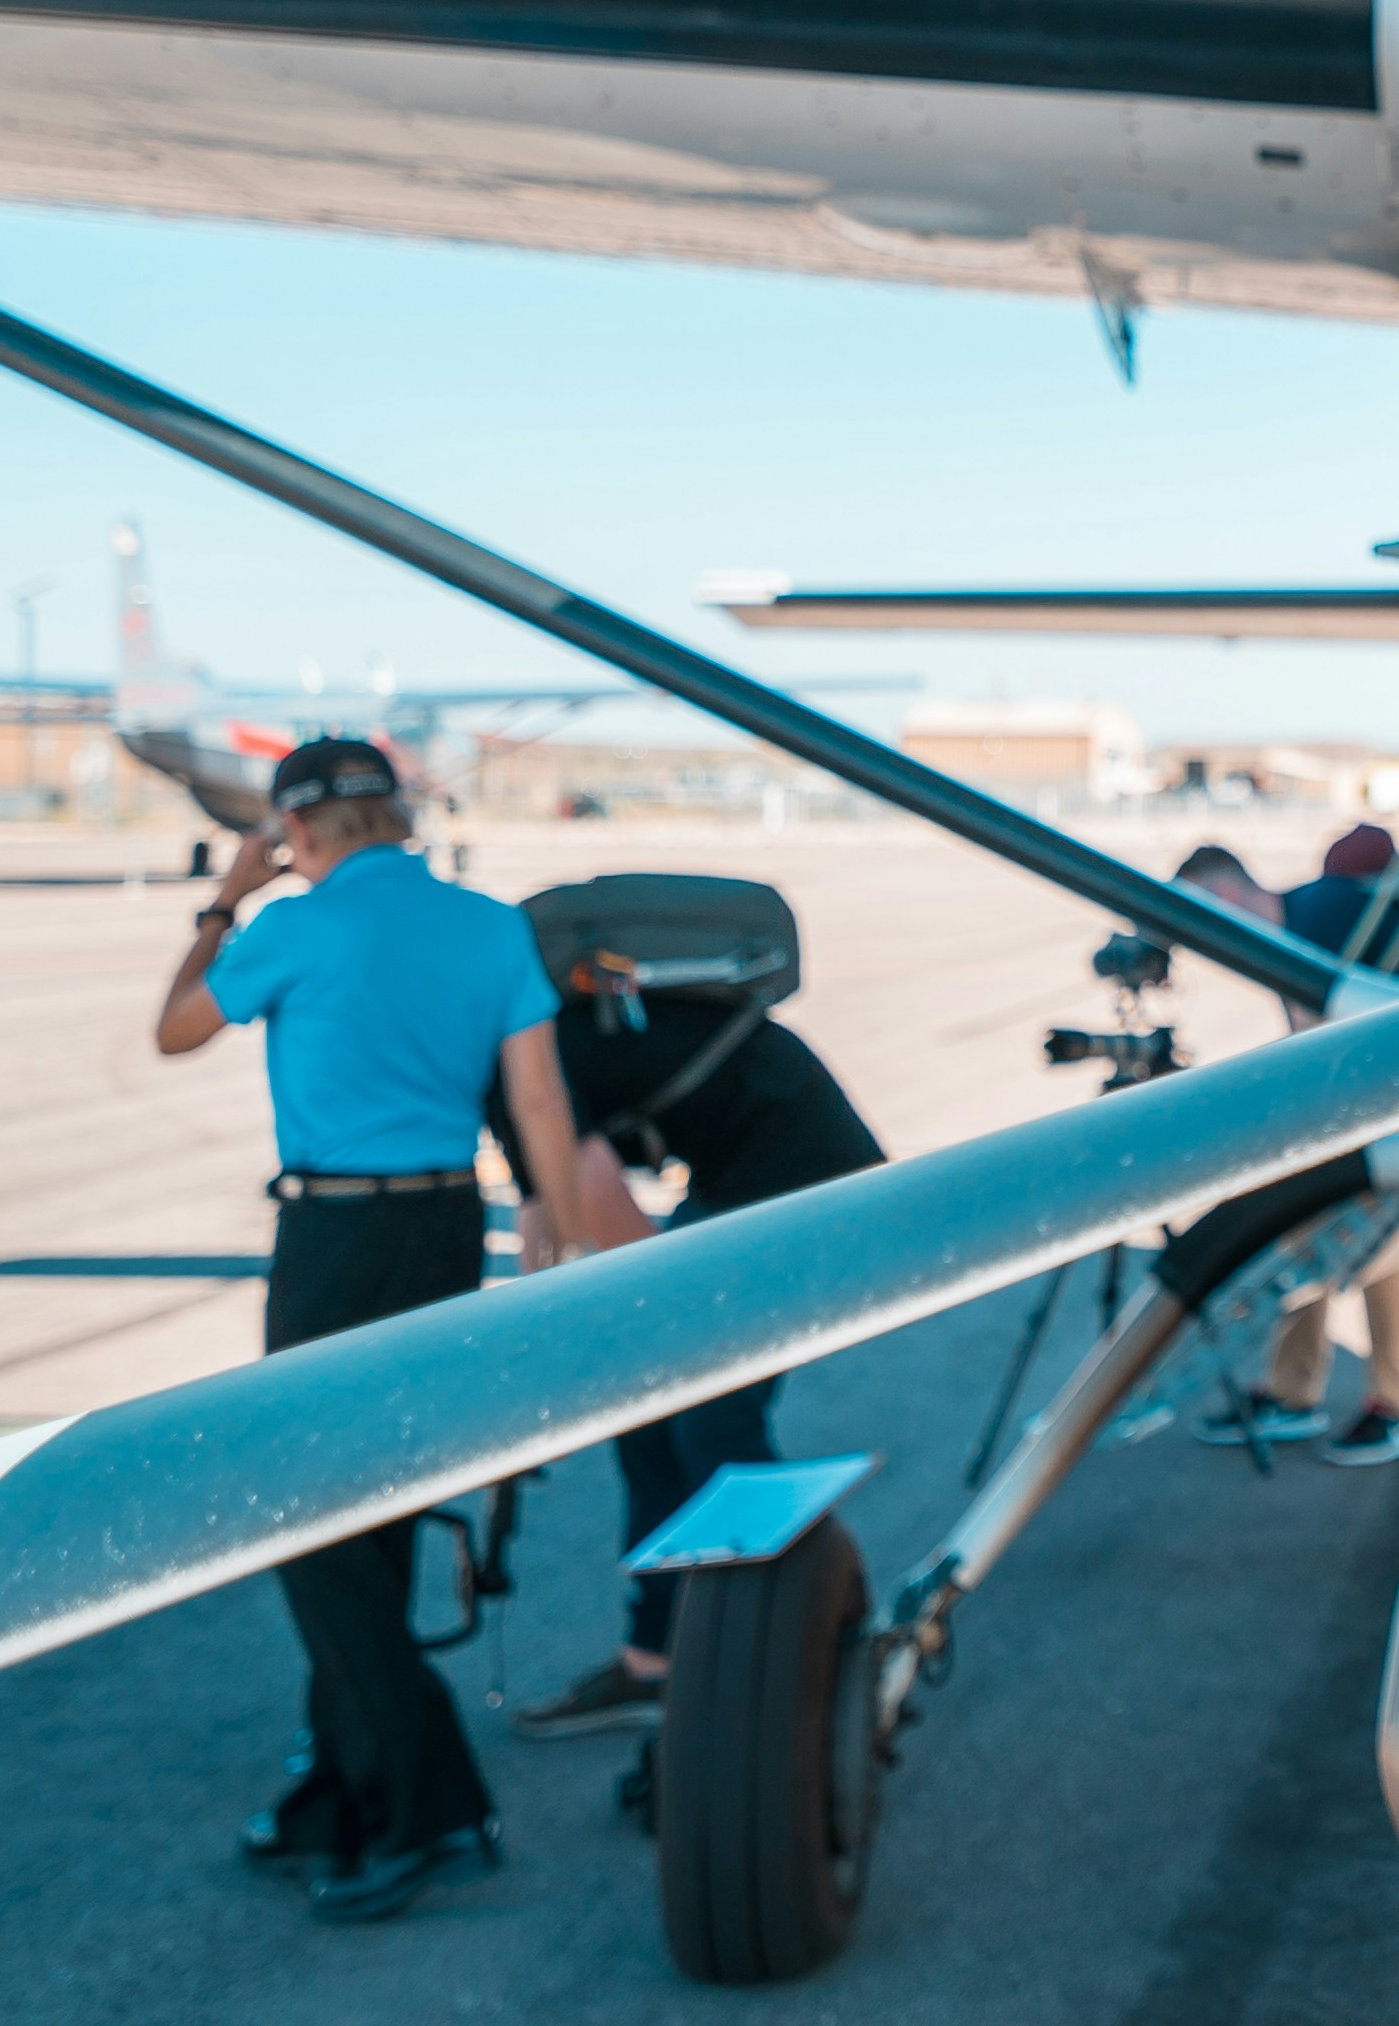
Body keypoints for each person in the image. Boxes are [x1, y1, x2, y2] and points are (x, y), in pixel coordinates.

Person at [158, 738, 593, 1924]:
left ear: (296, 831)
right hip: (447, 1229)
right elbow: (537, 1096)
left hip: (337, 1239)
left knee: (309, 1519)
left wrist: (223, 903)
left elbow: (177, 1029)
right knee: (380, 1503)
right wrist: (555, 1229)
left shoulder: (293, 927)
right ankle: (342, 1786)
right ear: (397, 817)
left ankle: (429, 1804)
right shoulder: (489, 925)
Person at [494, 979, 886, 1741]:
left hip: (803, 1172)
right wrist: (535, 1350)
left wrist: (661, 1331)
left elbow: (595, 1193)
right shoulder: (510, 1044)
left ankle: (806, 1646)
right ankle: (659, 1658)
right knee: (651, 1415)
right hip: (753, 1169)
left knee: (710, 1422)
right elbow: (544, 1201)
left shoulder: (506, 1058)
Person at [1180, 827, 1399, 1465]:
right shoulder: (1302, 917)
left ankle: (1395, 1408)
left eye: (1201, 918)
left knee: (1371, 1249)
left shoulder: (1318, 918)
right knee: (1306, 1230)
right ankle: (1295, 1393)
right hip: (1377, 1103)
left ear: (1224, 895)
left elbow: (1331, 1038)